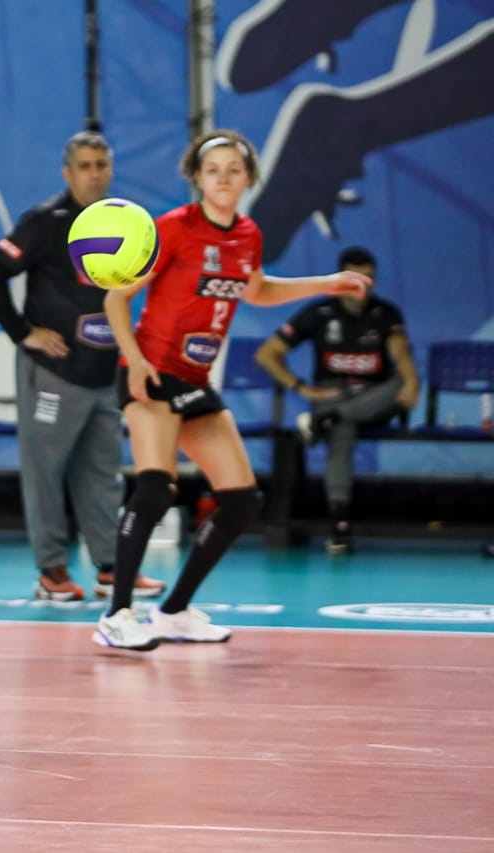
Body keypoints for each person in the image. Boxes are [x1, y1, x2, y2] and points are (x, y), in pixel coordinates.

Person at [94, 130, 369, 651]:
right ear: (197, 177)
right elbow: (115, 298)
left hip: (195, 380)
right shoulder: (172, 229)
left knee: (242, 501)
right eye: (213, 169)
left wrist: (329, 282)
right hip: (152, 373)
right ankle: (116, 616)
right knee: (155, 488)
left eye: (233, 170)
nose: (223, 177)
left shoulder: (247, 234)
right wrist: (134, 361)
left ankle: (173, 611)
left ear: (248, 178)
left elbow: (258, 290)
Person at [0, 130, 165, 603]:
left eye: (101, 165)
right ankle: (53, 572)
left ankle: (110, 566)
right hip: (54, 373)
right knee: (46, 471)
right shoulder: (45, 221)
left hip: (104, 371)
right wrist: (24, 333)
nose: (95, 174)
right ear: (68, 172)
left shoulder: (124, 224)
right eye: (85, 166)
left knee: (103, 472)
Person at [254, 246, 419, 553]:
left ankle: (322, 421)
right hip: (333, 394)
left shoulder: (386, 314)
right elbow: (267, 354)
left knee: (400, 382)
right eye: (357, 279)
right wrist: (302, 388)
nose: (363, 286)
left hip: (376, 399)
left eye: (370, 279)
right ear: (341, 280)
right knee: (343, 426)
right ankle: (339, 522)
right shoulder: (319, 313)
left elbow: (401, 355)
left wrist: (412, 383)